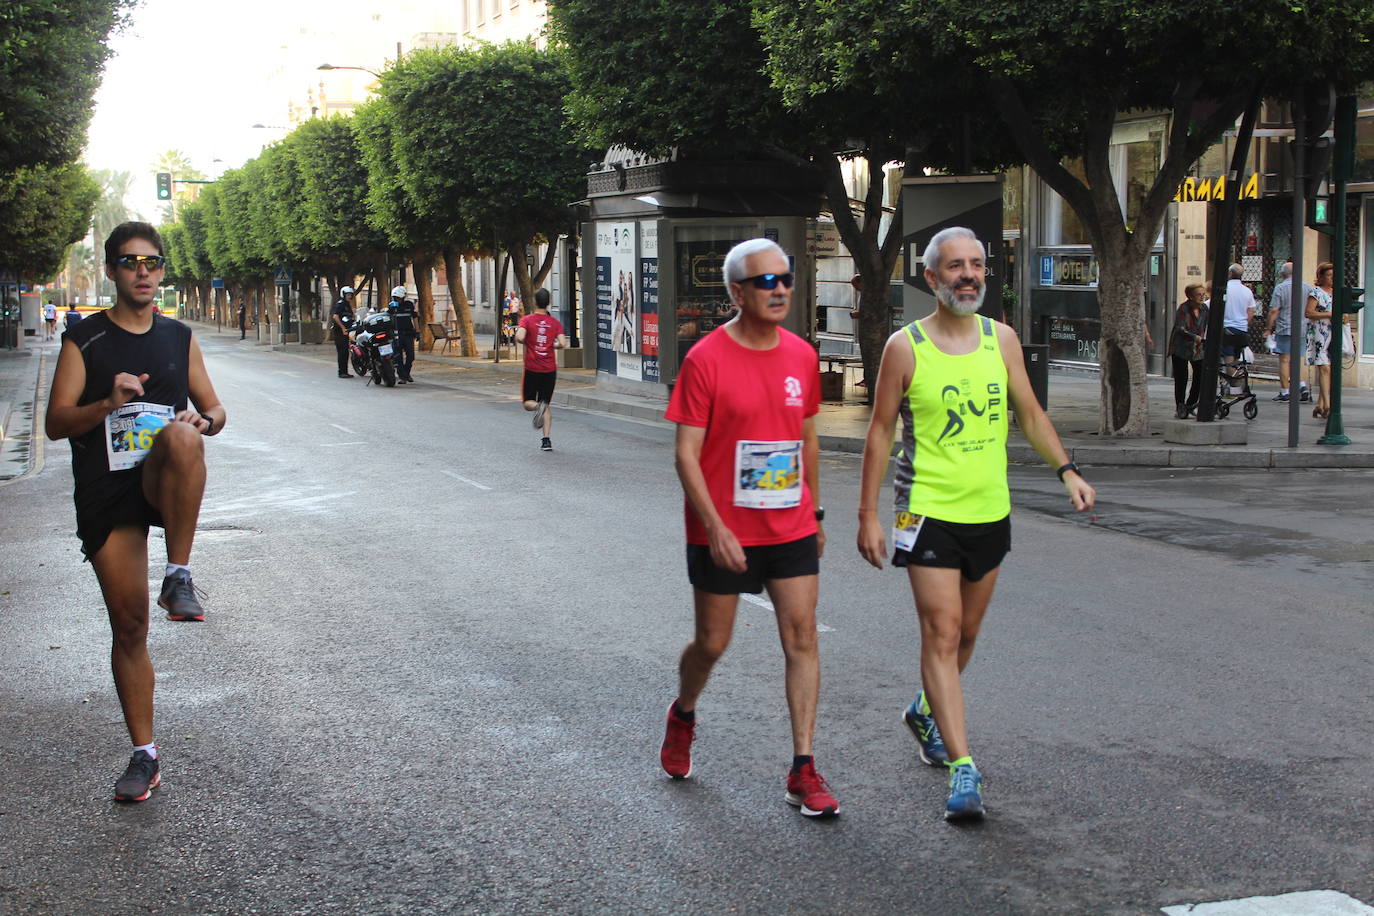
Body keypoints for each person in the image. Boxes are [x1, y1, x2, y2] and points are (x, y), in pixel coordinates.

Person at [856, 227, 1095, 822]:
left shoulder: (1002, 340)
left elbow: (1031, 414)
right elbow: (881, 431)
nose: (969, 275)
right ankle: (964, 768)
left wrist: (1067, 470)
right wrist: (867, 514)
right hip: (926, 509)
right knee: (941, 632)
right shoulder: (905, 348)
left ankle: (923, 710)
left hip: (990, 509)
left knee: (965, 637)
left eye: (977, 265)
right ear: (931, 279)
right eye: (955, 267)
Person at [44, 221, 226, 803]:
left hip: (158, 479)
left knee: (184, 439)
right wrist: (107, 403)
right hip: (104, 488)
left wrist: (204, 421)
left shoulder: (178, 337)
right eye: (130, 262)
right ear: (112, 271)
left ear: (162, 270)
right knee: (129, 624)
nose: (143, 272)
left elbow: (216, 409)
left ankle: (179, 574)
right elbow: (54, 424)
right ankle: (144, 755)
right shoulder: (85, 339)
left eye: (153, 262)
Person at [658, 237, 840, 819]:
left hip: (787, 523)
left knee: (802, 637)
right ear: (737, 291)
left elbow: (806, 435)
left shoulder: (801, 355)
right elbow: (686, 453)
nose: (779, 288)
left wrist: (814, 512)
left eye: (785, 278)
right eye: (765, 281)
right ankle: (683, 712)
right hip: (723, 529)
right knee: (713, 644)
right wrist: (714, 527)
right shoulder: (706, 359)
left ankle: (803, 768)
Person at [516, 288, 566, 452]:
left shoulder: (527, 320)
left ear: (535, 302)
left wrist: (527, 342)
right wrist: (553, 345)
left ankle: (538, 407)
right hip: (549, 369)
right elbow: (563, 343)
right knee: (546, 403)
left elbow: (520, 337)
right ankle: (546, 440)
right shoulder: (555, 323)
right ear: (548, 303)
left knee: (527, 403)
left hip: (532, 367)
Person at [1262, 261, 1311, 403]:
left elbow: (1274, 310)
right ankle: (1301, 385)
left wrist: (1268, 328)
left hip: (1285, 328)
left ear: (1283, 273)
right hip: (1302, 328)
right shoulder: (1307, 287)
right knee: (1296, 360)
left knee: (1284, 360)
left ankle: (1285, 391)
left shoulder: (1281, 288)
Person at [1168, 284, 1208, 418]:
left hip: (1197, 347)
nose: (1202, 297)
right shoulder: (1183, 309)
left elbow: (1206, 325)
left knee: (1200, 376)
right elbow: (1180, 328)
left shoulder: (1204, 308)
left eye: (1203, 294)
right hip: (1181, 347)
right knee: (1182, 378)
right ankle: (1180, 406)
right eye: (1199, 294)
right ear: (1190, 296)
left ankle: (1191, 404)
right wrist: (1194, 337)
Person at [1305, 261, 1335, 419]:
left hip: (1333, 334)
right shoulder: (1315, 292)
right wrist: (1328, 314)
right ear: (1321, 277)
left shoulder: (1335, 292)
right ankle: (1327, 406)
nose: (1331, 279)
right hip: (1319, 333)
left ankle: (1320, 404)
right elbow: (1309, 313)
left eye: (1333, 276)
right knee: (1324, 368)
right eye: (1329, 275)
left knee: (1328, 369)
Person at [1221, 264, 1256, 390]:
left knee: (1228, 357)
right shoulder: (1247, 291)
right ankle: (1237, 379)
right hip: (1241, 330)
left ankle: (1234, 383)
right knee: (1236, 357)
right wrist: (1244, 323)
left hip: (1227, 328)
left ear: (1230, 274)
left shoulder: (1224, 288)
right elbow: (1251, 312)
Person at [387, 285, 418, 384]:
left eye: (398, 298)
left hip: (408, 333)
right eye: (395, 298)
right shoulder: (392, 306)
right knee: (397, 356)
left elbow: (415, 317)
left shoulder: (409, 305)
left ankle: (406, 373)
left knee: (410, 356)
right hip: (397, 334)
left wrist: (418, 331)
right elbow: (388, 317)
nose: (397, 300)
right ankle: (402, 377)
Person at [331, 286, 355, 378]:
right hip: (339, 332)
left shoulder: (347, 304)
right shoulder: (341, 304)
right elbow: (335, 317)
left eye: (350, 295)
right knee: (342, 352)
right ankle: (342, 372)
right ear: (343, 295)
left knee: (345, 352)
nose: (349, 296)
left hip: (346, 331)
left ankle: (345, 371)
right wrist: (342, 328)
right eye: (347, 294)